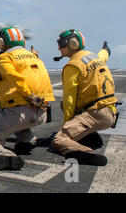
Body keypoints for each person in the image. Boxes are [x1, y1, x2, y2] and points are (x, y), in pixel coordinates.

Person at [0, 27, 55, 170]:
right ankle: (27, 141)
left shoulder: (3, 59)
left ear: (2, 42)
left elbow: (16, 78)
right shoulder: (35, 58)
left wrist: (29, 95)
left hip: (20, 112)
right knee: (17, 125)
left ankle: (6, 157)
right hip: (42, 112)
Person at [51, 29, 118, 166]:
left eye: (61, 44)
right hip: (111, 112)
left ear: (73, 44)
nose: (59, 47)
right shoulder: (94, 57)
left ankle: (87, 152)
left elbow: (70, 99)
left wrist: (67, 125)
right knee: (63, 104)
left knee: (58, 140)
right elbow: (103, 55)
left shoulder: (73, 66)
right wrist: (105, 50)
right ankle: (89, 136)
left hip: (96, 113)